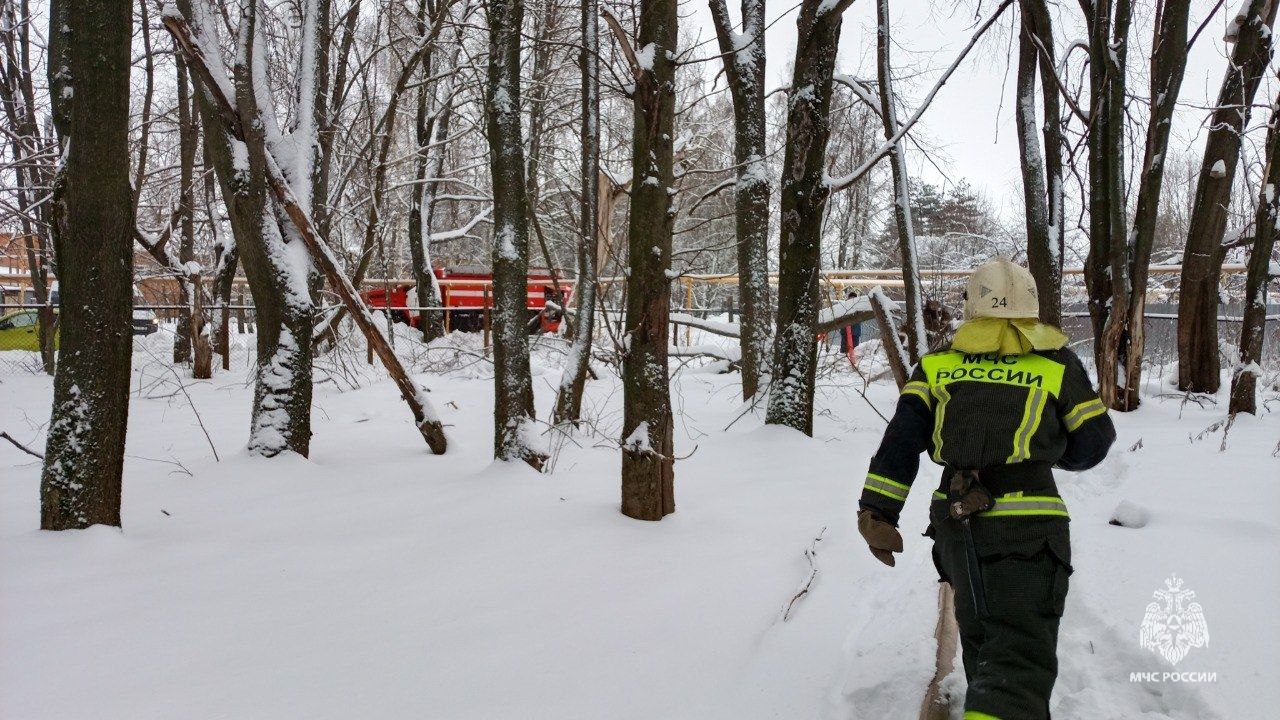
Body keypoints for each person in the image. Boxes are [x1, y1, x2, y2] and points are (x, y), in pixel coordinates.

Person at [855, 258, 1116, 720]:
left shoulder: (935, 367)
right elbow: (1094, 444)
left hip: (958, 526)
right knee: (1019, 660)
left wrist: (877, 512)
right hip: (1028, 531)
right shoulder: (1057, 365)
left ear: (972, 308)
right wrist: (1048, 449)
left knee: (983, 640)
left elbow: (900, 442)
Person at [839, 288, 862, 365]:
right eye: (851, 298)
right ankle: (844, 361)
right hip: (845, 331)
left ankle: (853, 361)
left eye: (853, 298)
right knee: (845, 348)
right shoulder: (844, 306)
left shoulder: (858, 306)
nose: (852, 300)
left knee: (855, 348)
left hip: (855, 331)